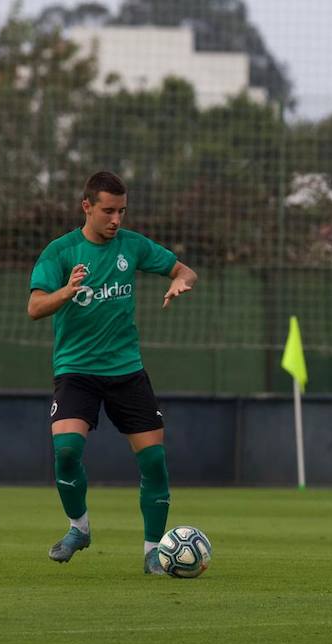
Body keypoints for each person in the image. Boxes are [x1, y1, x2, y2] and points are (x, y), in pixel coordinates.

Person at [27, 170, 198, 574]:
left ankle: (154, 552)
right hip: (76, 371)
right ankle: (78, 528)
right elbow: (35, 307)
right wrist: (66, 292)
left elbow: (185, 270)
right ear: (87, 206)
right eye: (108, 211)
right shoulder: (61, 252)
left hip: (126, 371)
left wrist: (180, 282)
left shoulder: (132, 246)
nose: (116, 219)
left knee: (154, 462)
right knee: (66, 452)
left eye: (121, 211)